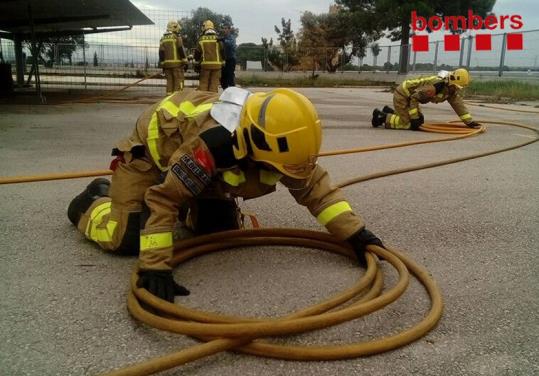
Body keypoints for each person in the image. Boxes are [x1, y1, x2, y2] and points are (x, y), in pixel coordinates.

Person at [67, 87, 383, 302]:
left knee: (217, 228)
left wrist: (354, 232)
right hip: (150, 159)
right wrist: (155, 265)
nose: (289, 174)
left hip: (198, 169)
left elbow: (313, 186)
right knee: (128, 239)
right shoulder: (213, 145)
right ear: (251, 145)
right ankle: (94, 201)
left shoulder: (278, 134)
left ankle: (190, 200)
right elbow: (164, 198)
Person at [371, 68, 481, 130]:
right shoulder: (436, 87)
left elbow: (458, 105)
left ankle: (389, 111)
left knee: (420, 120)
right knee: (408, 124)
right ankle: (381, 117)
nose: (457, 90)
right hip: (403, 95)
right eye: (457, 87)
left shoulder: (450, 90)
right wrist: (413, 118)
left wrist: (469, 122)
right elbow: (414, 98)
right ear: (452, 82)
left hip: (409, 96)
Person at [194, 20, 224, 93]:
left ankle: (203, 100)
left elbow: (197, 53)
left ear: (205, 28)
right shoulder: (218, 38)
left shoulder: (201, 39)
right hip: (217, 66)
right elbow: (222, 51)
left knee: (204, 83)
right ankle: (211, 100)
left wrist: (197, 61)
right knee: (214, 84)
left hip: (205, 65)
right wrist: (223, 61)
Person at [159, 20, 187, 95]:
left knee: (169, 82)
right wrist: (185, 61)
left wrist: (162, 64)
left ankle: (168, 99)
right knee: (178, 81)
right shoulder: (177, 37)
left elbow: (161, 52)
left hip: (167, 65)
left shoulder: (163, 38)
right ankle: (177, 99)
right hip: (177, 65)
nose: (178, 30)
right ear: (174, 28)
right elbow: (180, 49)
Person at [220, 24, 237, 89]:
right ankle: (225, 91)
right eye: (223, 28)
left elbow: (231, 44)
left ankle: (232, 90)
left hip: (231, 60)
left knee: (230, 76)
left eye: (226, 28)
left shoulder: (232, 37)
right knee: (223, 77)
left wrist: (223, 40)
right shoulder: (223, 38)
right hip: (224, 60)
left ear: (229, 29)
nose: (224, 30)